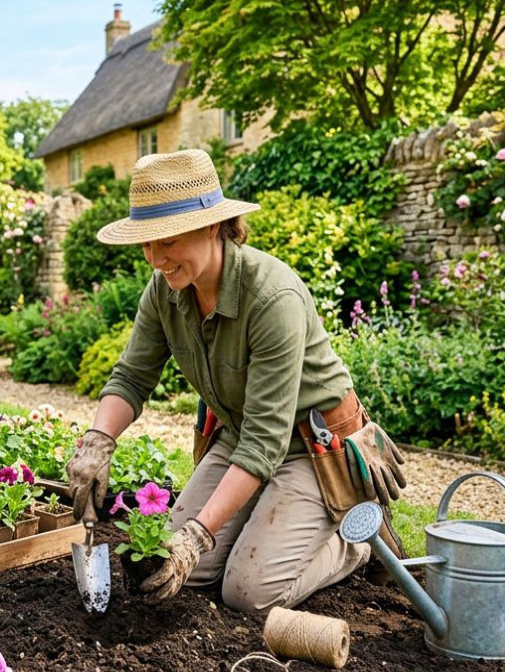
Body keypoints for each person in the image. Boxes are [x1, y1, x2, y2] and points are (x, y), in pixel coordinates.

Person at [64, 149, 406, 614]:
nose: (155, 259)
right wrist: (98, 441)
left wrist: (198, 536)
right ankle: (269, 529)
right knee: (177, 566)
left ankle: (354, 540)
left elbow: (266, 441)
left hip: (312, 449)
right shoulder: (165, 291)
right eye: (145, 244)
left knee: (249, 592)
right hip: (242, 437)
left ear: (212, 226)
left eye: (167, 241)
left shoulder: (272, 297)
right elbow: (132, 376)